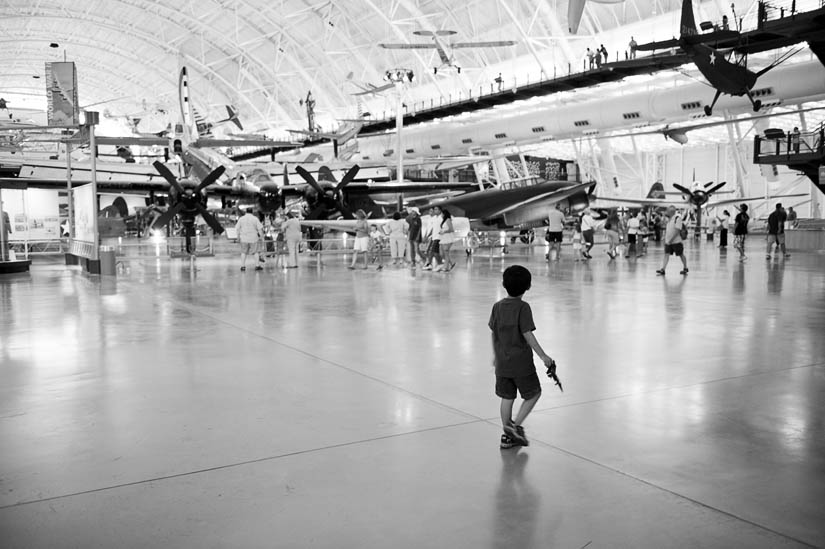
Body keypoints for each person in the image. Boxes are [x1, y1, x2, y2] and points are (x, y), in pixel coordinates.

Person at [489, 265, 555, 449]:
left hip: (502, 363)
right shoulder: (523, 308)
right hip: (521, 364)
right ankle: (515, 426)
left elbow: (494, 333)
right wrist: (543, 356)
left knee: (507, 397)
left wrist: (496, 356)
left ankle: (507, 434)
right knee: (534, 393)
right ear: (528, 287)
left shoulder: (497, 307)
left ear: (504, 284)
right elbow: (528, 334)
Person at [656, 206, 689, 275]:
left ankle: (685, 267)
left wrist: (671, 240)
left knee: (681, 254)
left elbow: (677, 231)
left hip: (676, 241)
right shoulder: (669, 219)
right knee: (666, 254)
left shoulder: (677, 218)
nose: (666, 212)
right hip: (668, 241)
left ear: (671, 212)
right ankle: (663, 269)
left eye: (667, 211)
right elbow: (664, 226)